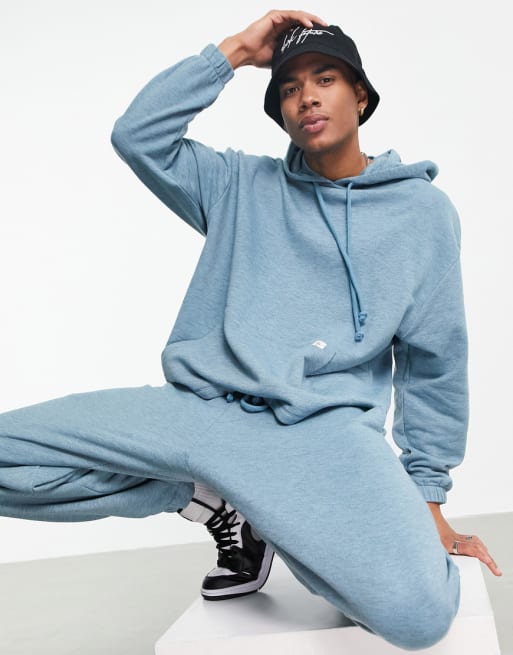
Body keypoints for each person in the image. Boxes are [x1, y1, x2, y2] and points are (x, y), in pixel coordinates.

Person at [0, 9, 501, 650]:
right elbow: (137, 135)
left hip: (325, 431)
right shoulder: (238, 184)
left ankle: (266, 511)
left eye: (325, 80)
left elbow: (435, 361)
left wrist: (428, 499)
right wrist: (235, 51)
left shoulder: (421, 214)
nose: (307, 97)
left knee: (419, 618)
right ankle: (206, 497)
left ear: (361, 96)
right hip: (200, 412)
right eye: (290, 88)